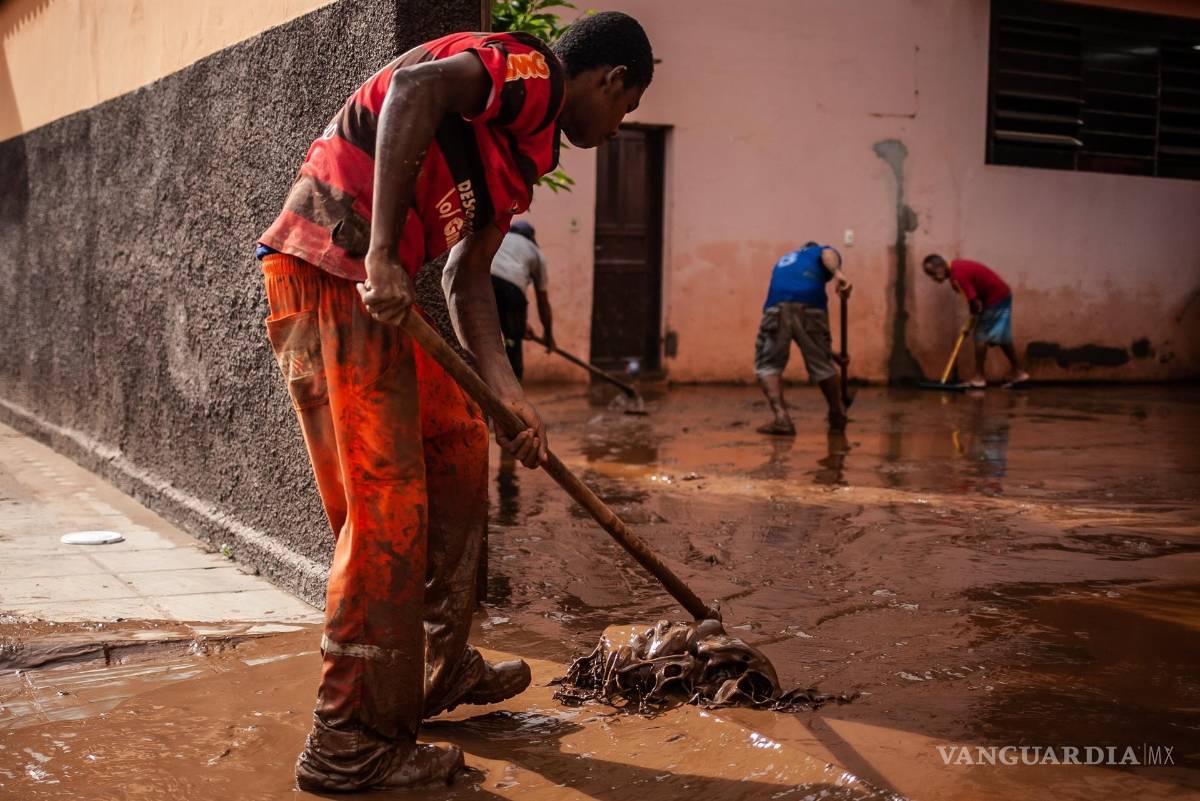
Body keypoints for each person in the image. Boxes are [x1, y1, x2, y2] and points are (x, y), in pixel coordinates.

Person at [254, 13, 653, 792]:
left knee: (461, 440)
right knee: (386, 513)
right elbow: (414, 85)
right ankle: (348, 742)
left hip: (363, 291)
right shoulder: (532, 77)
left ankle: (438, 666)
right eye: (628, 108)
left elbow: (466, 283)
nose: (619, 125)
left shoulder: (522, 156)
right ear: (609, 81)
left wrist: (512, 403)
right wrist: (379, 253)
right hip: (332, 268)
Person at [754, 241, 852, 435]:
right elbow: (827, 254)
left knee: (768, 366)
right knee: (822, 366)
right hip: (811, 304)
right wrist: (839, 273)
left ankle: (782, 419)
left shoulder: (786, 260)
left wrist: (831, 354)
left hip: (777, 306)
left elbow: (793, 320)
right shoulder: (819, 251)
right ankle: (836, 414)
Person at [922, 254, 1029, 388]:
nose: (933, 278)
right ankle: (1018, 372)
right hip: (1001, 296)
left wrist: (970, 324)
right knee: (1001, 336)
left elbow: (974, 302)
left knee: (980, 336)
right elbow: (974, 300)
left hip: (996, 299)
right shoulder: (955, 270)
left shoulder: (957, 276)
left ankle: (979, 377)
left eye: (933, 274)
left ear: (940, 268)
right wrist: (972, 320)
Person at [490, 220, 554, 379]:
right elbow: (542, 302)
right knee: (512, 342)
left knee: (486, 335)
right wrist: (548, 334)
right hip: (511, 290)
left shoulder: (499, 239)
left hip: (482, 281)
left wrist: (521, 323)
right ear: (532, 238)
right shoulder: (536, 252)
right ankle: (514, 389)